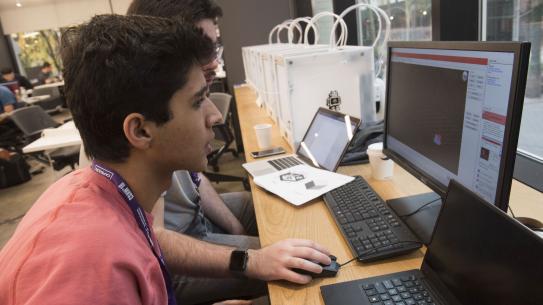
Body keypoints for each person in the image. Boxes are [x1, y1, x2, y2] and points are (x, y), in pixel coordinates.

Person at [0, 13, 332, 305]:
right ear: (141, 131)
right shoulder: (92, 263)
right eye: (198, 100)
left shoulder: (106, 191)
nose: (215, 116)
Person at [128, 1, 271, 303]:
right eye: (200, 46)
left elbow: (193, 176)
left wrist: (233, 225)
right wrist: (252, 259)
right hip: (172, 254)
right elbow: (156, 239)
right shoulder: (147, 112)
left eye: (213, 46)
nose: (212, 62)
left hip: (192, 223)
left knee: (251, 204)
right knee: (281, 255)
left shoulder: (172, 101)